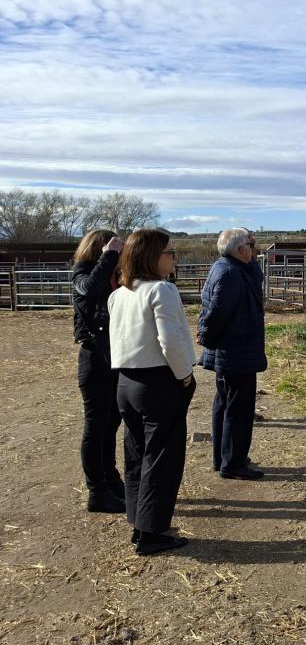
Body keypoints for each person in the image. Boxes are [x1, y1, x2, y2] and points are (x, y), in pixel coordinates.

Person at [109, 229, 197, 556]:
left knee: (136, 455)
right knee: (163, 458)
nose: (175, 258)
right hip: (160, 382)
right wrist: (185, 375)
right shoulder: (162, 290)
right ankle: (152, 533)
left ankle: (139, 521)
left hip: (127, 383)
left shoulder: (119, 294)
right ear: (151, 256)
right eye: (170, 253)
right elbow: (170, 341)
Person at [198, 228, 267, 480]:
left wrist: (253, 249)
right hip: (235, 351)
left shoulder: (232, 267)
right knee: (237, 409)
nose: (253, 248)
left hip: (233, 351)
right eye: (250, 245)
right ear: (240, 250)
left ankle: (225, 457)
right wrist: (206, 337)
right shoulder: (230, 274)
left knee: (226, 405)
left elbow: (255, 275)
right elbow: (215, 314)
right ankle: (233, 463)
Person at [72, 229, 125, 513]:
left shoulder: (114, 275)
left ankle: (110, 478)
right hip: (94, 359)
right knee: (95, 427)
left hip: (114, 357)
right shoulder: (82, 272)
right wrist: (109, 257)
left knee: (111, 423)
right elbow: (88, 290)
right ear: (100, 250)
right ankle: (97, 492)